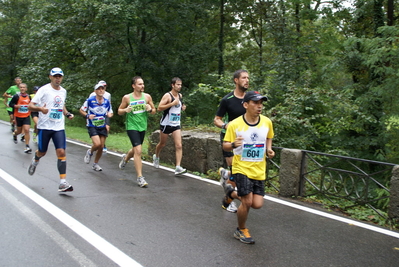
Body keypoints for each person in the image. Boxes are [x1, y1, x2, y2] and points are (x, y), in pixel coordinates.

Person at [221, 90, 275, 244]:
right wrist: (232, 144)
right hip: (241, 167)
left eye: (261, 103)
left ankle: (231, 194)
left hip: (259, 168)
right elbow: (225, 146)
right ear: (245, 105)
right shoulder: (235, 124)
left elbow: (269, 136)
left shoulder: (267, 122)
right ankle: (241, 229)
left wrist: (269, 149)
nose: (259, 106)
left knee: (257, 204)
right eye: (255, 103)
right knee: (248, 202)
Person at [27, 67, 75, 193]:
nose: (57, 78)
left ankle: (63, 182)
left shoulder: (63, 91)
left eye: (59, 76)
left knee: (61, 152)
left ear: (62, 77)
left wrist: (67, 113)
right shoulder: (44, 90)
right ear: (50, 77)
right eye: (55, 76)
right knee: (42, 152)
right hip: (45, 127)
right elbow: (30, 106)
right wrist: (41, 110)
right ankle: (35, 160)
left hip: (58, 127)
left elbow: (61, 104)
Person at [213, 69, 249, 213]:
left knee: (238, 171)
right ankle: (228, 200)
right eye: (243, 78)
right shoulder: (227, 100)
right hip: (229, 138)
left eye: (248, 78)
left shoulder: (250, 99)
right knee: (236, 169)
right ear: (236, 80)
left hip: (245, 139)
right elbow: (216, 119)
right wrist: (225, 125)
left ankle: (225, 176)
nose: (247, 80)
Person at [117, 76, 156, 188]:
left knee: (135, 149)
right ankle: (140, 178)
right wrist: (125, 110)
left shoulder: (147, 97)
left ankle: (126, 158)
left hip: (142, 126)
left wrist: (150, 109)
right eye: (139, 84)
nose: (142, 86)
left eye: (143, 84)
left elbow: (154, 111)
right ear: (133, 86)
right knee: (138, 151)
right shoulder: (127, 98)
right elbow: (119, 111)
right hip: (131, 126)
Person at [153, 77, 187, 175]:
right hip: (166, 124)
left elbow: (179, 106)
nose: (180, 86)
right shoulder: (168, 96)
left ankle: (178, 167)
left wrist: (183, 107)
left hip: (176, 124)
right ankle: (157, 156)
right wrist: (172, 103)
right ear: (172, 85)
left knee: (179, 145)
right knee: (162, 144)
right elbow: (159, 108)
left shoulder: (180, 96)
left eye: (180, 85)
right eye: (178, 84)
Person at [80, 82, 113, 171]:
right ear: (95, 91)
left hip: (102, 125)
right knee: (97, 144)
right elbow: (81, 110)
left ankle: (95, 164)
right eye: (98, 89)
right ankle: (90, 152)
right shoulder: (90, 100)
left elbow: (110, 112)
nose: (101, 90)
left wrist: (109, 116)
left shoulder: (107, 102)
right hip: (92, 125)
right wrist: (87, 116)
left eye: (102, 89)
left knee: (101, 146)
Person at [89, 80, 111, 153]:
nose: (103, 88)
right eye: (101, 86)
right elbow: (88, 105)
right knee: (96, 140)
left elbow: (108, 109)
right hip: (94, 117)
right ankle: (94, 145)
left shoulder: (108, 95)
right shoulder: (92, 94)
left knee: (105, 130)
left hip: (103, 116)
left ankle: (103, 145)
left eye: (104, 86)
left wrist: (107, 122)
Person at [9, 83, 32, 153]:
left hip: (26, 116)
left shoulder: (29, 97)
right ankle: (15, 134)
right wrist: (15, 106)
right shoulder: (16, 96)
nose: (22, 88)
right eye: (21, 87)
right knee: (19, 131)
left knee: (27, 130)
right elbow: (10, 104)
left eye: (24, 87)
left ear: (26, 89)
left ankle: (27, 146)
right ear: (19, 88)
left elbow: (31, 105)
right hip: (18, 116)